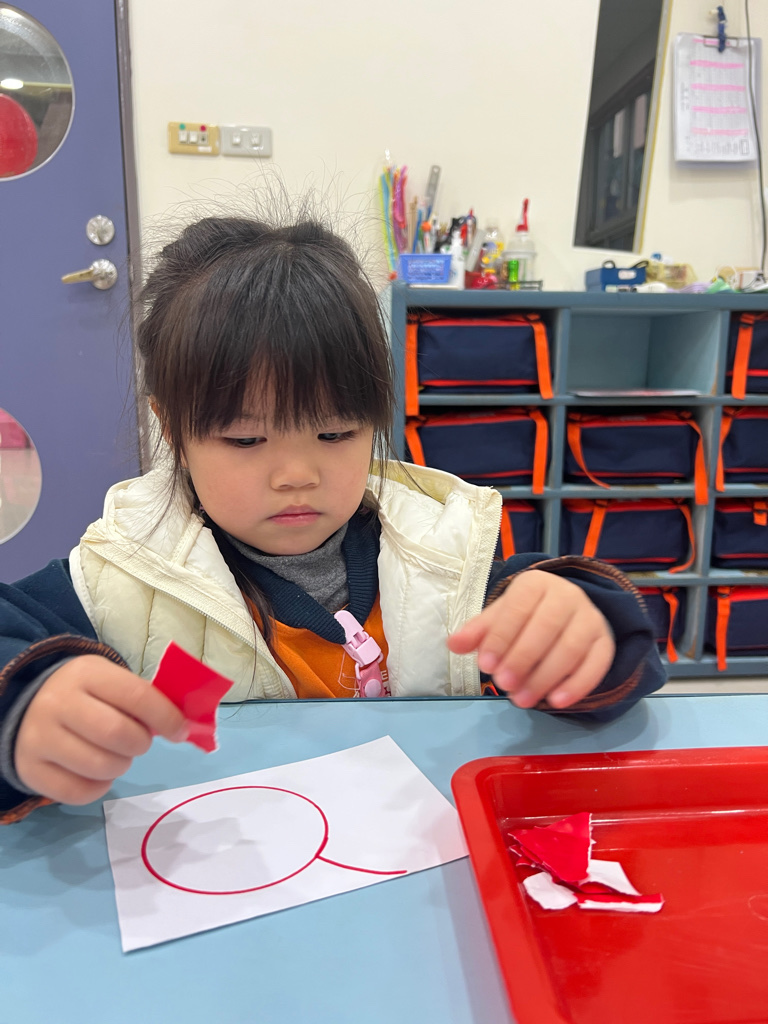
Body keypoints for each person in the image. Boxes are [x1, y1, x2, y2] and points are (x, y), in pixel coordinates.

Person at [0, 216, 665, 824]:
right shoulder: (122, 578)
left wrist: (587, 626)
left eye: (336, 433)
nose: (297, 474)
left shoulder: (443, 556)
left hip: (415, 861)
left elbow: (594, 666)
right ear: (172, 427)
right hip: (225, 870)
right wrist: (25, 703)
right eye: (246, 439)